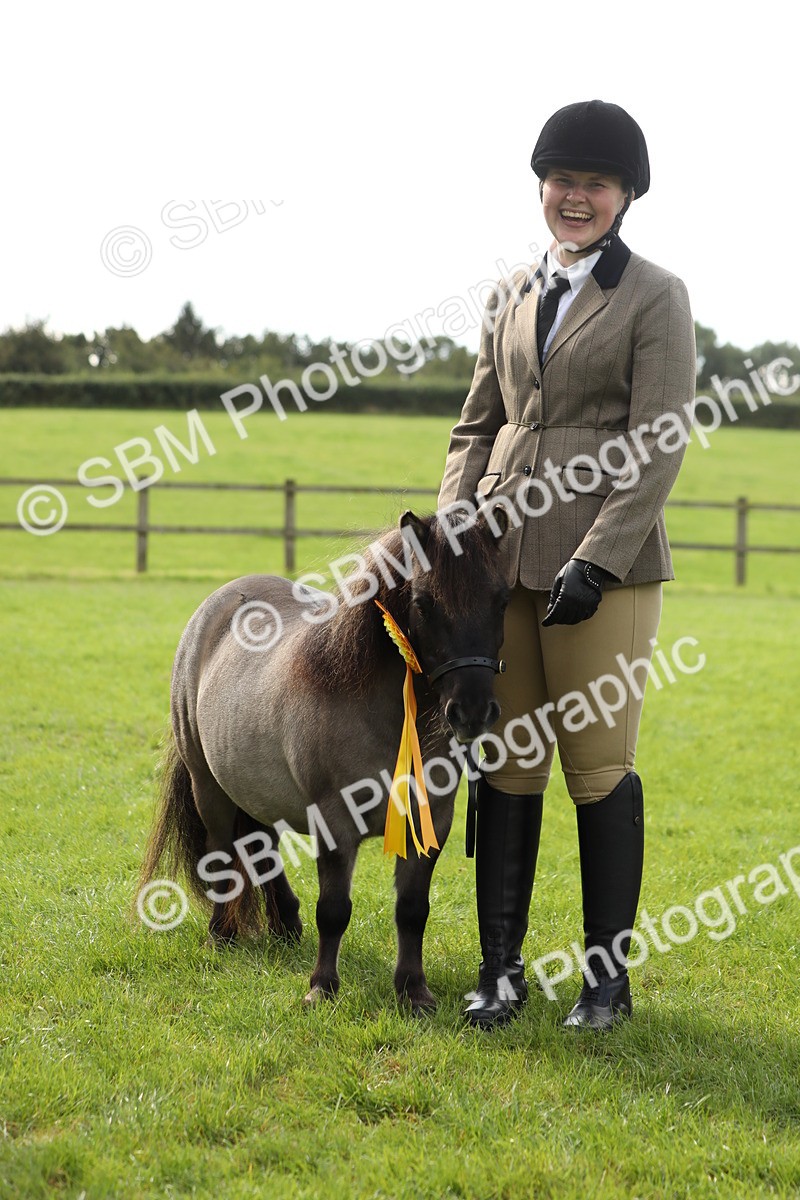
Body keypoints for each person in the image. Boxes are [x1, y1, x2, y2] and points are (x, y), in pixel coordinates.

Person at [437, 99, 696, 1030]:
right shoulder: (509, 291)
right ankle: (499, 971)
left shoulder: (656, 295)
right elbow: (479, 424)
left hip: (606, 574)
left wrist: (598, 557)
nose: (575, 197)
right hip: (503, 561)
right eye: (562, 181)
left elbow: (658, 439)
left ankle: (605, 982)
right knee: (506, 763)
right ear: (541, 187)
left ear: (626, 194)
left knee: (595, 766)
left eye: (595, 183)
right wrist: (454, 533)